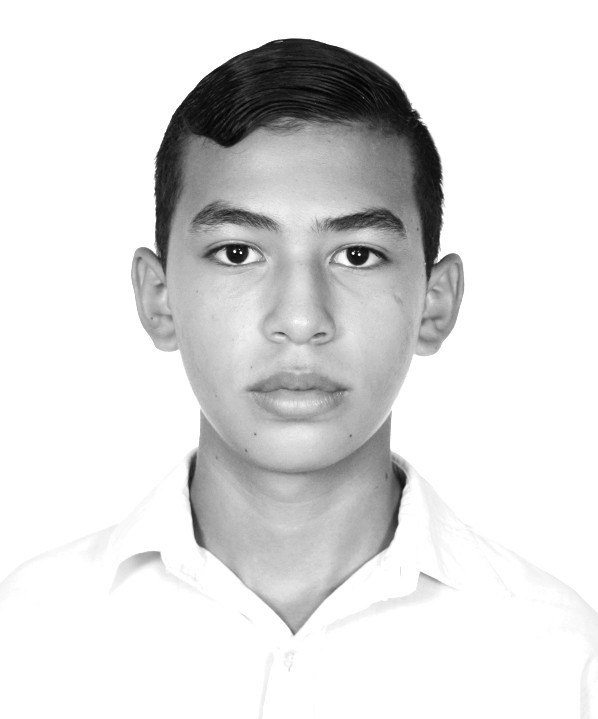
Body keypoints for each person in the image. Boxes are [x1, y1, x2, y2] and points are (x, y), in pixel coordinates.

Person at [1, 38, 596, 718]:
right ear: (158, 298)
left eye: (357, 254)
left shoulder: (561, 663)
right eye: (237, 252)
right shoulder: (25, 643)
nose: (301, 318)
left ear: (435, 303)